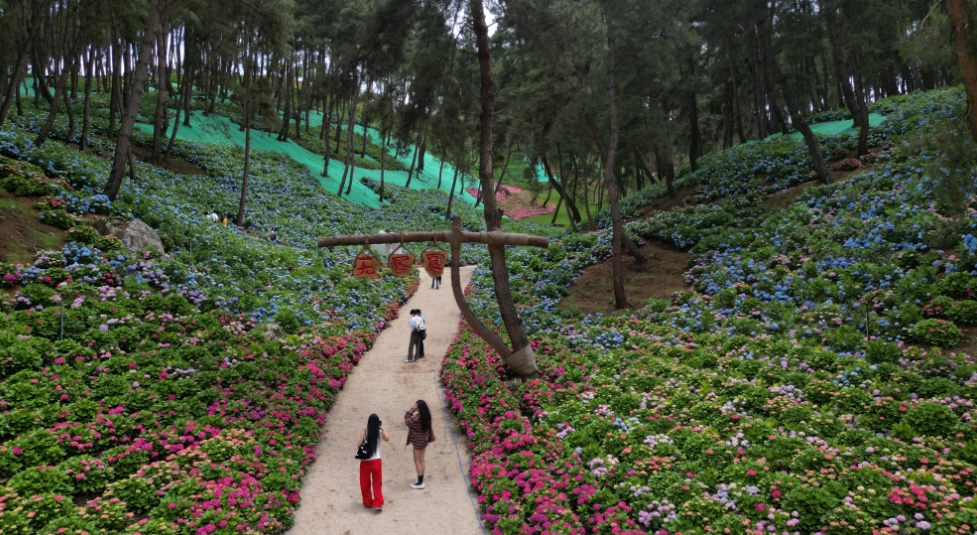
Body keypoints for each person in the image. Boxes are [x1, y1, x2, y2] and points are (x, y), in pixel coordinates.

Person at [358, 414, 390, 510]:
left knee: (365, 482)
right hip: (376, 460)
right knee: (377, 482)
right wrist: (383, 429)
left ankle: (367, 502)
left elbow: (358, 444)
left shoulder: (364, 431)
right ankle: (378, 502)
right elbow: (387, 439)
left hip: (365, 461)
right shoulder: (379, 432)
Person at [405, 400, 433, 489]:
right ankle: (421, 477)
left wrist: (412, 409)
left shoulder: (417, 419)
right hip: (424, 440)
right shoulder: (427, 416)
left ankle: (420, 482)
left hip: (417, 441)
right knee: (422, 460)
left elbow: (407, 420)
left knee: (417, 461)